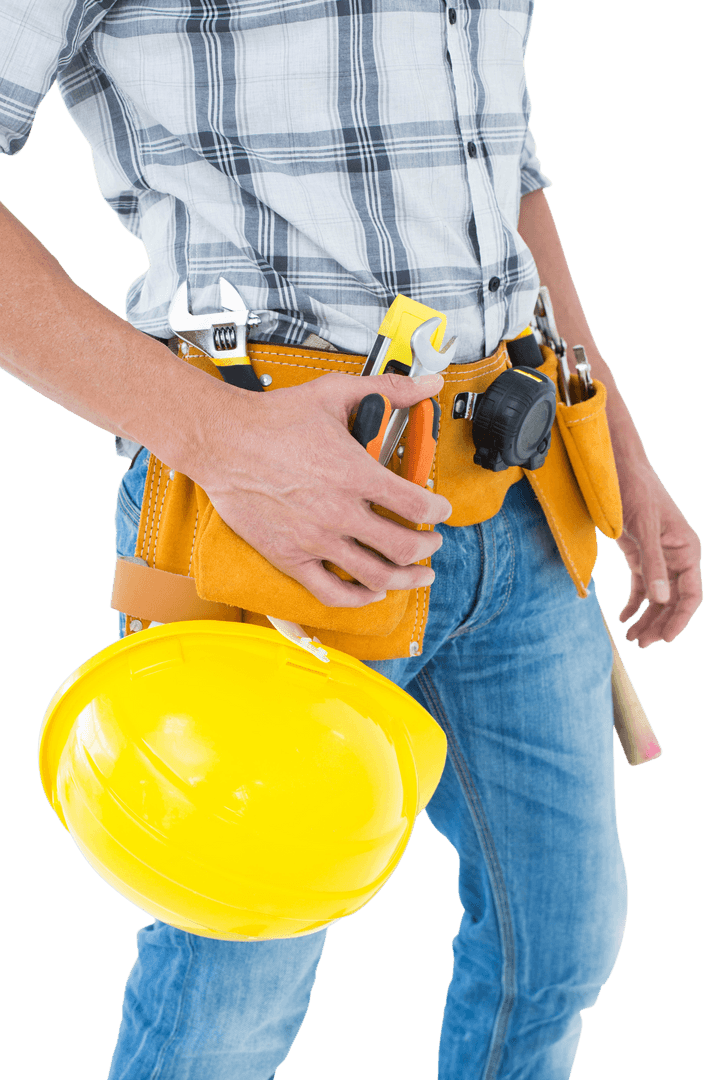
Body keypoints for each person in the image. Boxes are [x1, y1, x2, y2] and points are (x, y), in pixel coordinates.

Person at [1, 2, 701, 1078]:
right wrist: (223, 444)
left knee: (560, 943)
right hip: (276, 510)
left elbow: (497, 164)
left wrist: (617, 440)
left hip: (521, 489)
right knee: (233, 984)